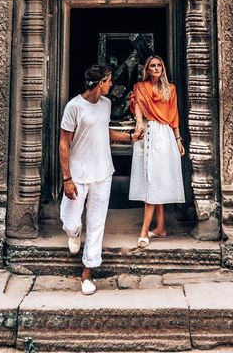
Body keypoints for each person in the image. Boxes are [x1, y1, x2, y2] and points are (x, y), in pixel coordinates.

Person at [59, 64, 138, 295]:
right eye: (109, 80)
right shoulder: (74, 107)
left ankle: (88, 272)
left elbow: (104, 131)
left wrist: (130, 137)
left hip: (103, 172)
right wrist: (67, 178)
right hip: (78, 173)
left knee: (97, 223)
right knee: (70, 219)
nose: (112, 84)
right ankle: (73, 232)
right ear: (100, 82)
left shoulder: (106, 104)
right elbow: (64, 143)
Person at [129, 55, 186, 248]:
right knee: (151, 180)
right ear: (147, 69)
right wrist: (138, 123)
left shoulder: (170, 89)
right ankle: (160, 227)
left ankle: (146, 231)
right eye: (152, 66)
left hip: (164, 135)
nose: (156, 68)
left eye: (159, 65)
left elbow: (174, 115)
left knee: (156, 179)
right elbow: (137, 104)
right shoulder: (140, 87)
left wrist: (178, 139)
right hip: (147, 132)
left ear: (163, 68)